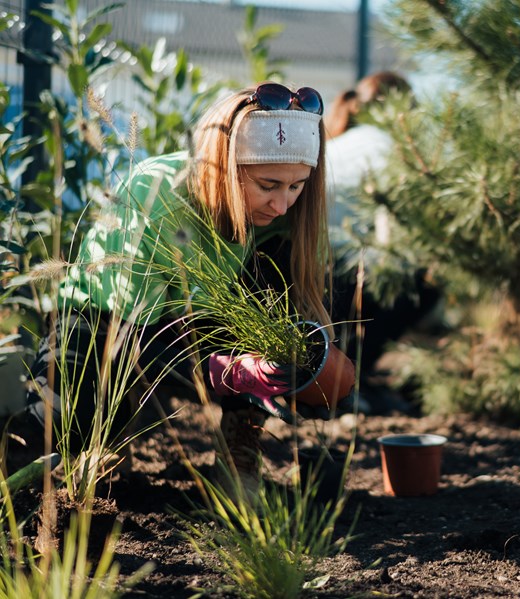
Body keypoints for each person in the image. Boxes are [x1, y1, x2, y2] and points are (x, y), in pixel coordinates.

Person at [4, 83, 355, 494]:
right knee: (63, 429)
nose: (282, 204)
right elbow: (132, 336)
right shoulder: (156, 195)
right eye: (268, 185)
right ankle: (105, 431)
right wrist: (229, 372)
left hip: (203, 320)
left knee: (274, 314)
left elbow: (295, 305)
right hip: (106, 323)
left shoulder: (286, 212)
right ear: (224, 165)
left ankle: (240, 444)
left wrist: (307, 370)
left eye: (296, 187)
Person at [323, 72, 442, 398]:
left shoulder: (337, 142)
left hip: (299, 266)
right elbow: (395, 239)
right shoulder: (389, 148)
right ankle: (346, 381)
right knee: (422, 285)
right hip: (339, 277)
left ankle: (329, 373)